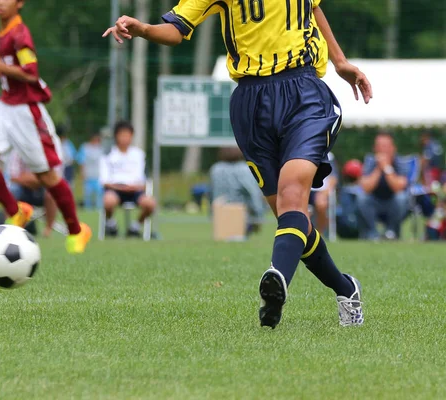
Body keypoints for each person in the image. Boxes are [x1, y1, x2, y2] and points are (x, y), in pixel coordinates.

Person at [104, 0, 372, 328]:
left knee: (292, 198)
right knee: (292, 218)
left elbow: (313, 8)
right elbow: (177, 30)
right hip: (252, 104)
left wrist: (340, 62)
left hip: (305, 94)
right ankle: (346, 288)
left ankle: (277, 282)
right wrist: (143, 29)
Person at [0, 0, 91, 254]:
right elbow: (13, 71)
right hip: (5, 107)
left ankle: (77, 230)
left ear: (20, 3)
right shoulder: (4, 30)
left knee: (47, 177)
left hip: (26, 112)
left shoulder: (20, 33)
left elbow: (31, 74)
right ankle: (16, 211)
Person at [100, 121, 156, 237]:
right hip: (115, 190)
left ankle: (135, 227)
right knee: (108, 201)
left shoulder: (139, 155)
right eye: (122, 135)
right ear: (116, 136)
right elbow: (104, 181)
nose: (125, 138)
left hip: (135, 190)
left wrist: (135, 187)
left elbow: (145, 180)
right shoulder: (108, 154)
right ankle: (111, 225)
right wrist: (120, 187)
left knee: (150, 204)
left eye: (128, 135)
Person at [357, 133, 409, 241]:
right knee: (362, 197)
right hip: (375, 202)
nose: (382, 149)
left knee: (402, 197)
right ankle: (373, 232)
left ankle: (391, 231)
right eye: (379, 146)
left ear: (393, 148)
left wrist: (386, 168)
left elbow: (399, 187)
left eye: (385, 146)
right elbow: (365, 187)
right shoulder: (370, 161)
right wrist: (378, 169)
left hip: (393, 204)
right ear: (375, 148)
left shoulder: (400, 161)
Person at [210, 147, 265, 234]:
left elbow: (212, 192)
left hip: (220, 210)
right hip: (241, 212)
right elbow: (253, 193)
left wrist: (212, 212)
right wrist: (258, 216)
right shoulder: (244, 169)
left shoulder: (216, 169)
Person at [6, 150, 58, 237]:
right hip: (22, 188)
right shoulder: (17, 152)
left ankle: (48, 229)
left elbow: (54, 177)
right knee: (12, 191)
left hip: (41, 189)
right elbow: (13, 177)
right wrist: (39, 178)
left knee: (52, 194)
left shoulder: (47, 150)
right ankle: (9, 228)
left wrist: (26, 176)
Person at [309, 152, 338, 235]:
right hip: (304, 189)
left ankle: (318, 234)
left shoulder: (329, 156)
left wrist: (324, 194)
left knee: (321, 204)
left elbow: (334, 178)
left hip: (321, 190)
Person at [77, 133, 104, 209]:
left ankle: (99, 209)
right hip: (88, 175)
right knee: (87, 194)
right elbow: (81, 161)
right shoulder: (85, 148)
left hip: (98, 175)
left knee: (99, 193)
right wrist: (82, 173)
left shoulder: (100, 148)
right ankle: (87, 209)